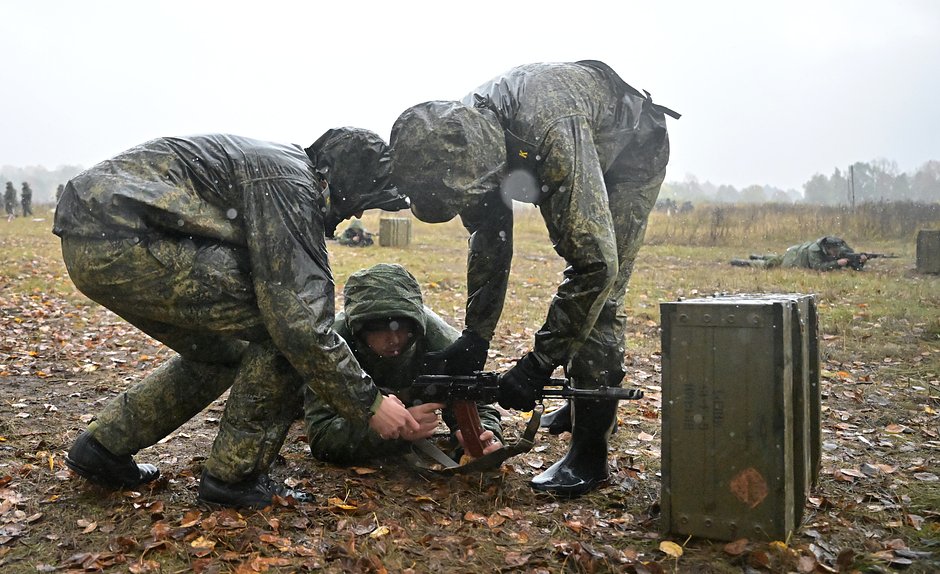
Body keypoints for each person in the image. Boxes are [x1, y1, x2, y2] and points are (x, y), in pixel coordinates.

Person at [54, 130, 422, 508]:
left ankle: (102, 448)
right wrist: (371, 404)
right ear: (339, 180)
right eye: (360, 201)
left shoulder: (284, 168)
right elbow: (299, 323)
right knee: (282, 330)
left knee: (222, 353)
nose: (358, 214)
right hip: (121, 238)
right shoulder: (291, 183)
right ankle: (235, 478)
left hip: (92, 241)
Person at [389, 60, 677, 496]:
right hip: (562, 137)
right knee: (590, 280)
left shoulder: (546, 127)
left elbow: (596, 267)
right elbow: (490, 241)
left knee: (603, 295)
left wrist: (540, 363)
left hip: (631, 149)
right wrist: (476, 336)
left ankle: (590, 451)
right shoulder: (457, 142)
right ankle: (582, 398)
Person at [304, 263, 502, 464]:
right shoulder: (331, 348)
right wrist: (393, 431)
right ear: (359, 329)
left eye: (402, 326)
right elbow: (322, 436)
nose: (394, 339)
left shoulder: (443, 345)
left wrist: (483, 435)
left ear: (416, 323)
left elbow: (476, 403)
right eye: (379, 328)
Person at [730, 236, 866, 271]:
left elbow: (848, 255)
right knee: (771, 264)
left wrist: (860, 259)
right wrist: (836, 264)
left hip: (796, 250)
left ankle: (760, 256)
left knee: (778, 258)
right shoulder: (815, 251)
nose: (837, 252)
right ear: (827, 248)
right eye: (834, 250)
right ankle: (748, 262)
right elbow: (817, 267)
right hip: (794, 259)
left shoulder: (835, 247)